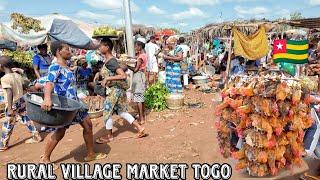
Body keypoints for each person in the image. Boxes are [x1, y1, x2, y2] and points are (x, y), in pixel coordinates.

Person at [40, 41, 106, 167]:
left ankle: (91, 154)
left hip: (75, 103)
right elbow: (49, 83)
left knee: (88, 125)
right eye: (67, 49)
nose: (70, 51)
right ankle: (45, 158)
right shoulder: (55, 67)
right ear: (59, 51)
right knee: (60, 132)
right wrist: (47, 98)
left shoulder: (66, 65)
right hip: (65, 105)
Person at [95, 38, 146, 144]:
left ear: (107, 47)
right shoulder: (109, 60)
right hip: (118, 91)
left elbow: (122, 75)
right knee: (122, 111)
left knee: (107, 113)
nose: (99, 48)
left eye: (101, 46)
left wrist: (107, 78)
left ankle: (109, 136)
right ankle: (140, 128)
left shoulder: (111, 61)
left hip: (114, 91)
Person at [0, 56, 42, 152]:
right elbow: (25, 86)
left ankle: (3, 144)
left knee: (8, 123)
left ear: (1, 66)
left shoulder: (4, 79)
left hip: (13, 103)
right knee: (26, 118)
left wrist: (10, 108)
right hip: (21, 100)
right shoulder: (17, 75)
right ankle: (36, 136)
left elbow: (9, 92)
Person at [128, 40, 147, 125]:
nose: (135, 48)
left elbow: (135, 69)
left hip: (138, 76)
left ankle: (141, 118)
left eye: (136, 46)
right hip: (142, 76)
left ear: (139, 46)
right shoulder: (143, 55)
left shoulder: (140, 57)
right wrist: (130, 58)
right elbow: (136, 59)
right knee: (141, 97)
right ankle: (142, 115)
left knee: (138, 97)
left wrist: (127, 66)